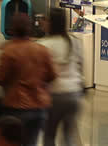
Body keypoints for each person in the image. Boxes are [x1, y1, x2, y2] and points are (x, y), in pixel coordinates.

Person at [0, 13, 57, 145]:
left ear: (12, 29)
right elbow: (52, 75)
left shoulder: (9, 51)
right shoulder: (42, 50)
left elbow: (0, 78)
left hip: (16, 107)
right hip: (40, 106)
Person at [36, 8, 84, 146]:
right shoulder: (74, 41)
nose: (42, 22)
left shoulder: (43, 45)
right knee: (69, 136)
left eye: (45, 20)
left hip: (54, 95)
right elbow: (80, 66)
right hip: (74, 94)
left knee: (49, 135)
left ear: (51, 23)